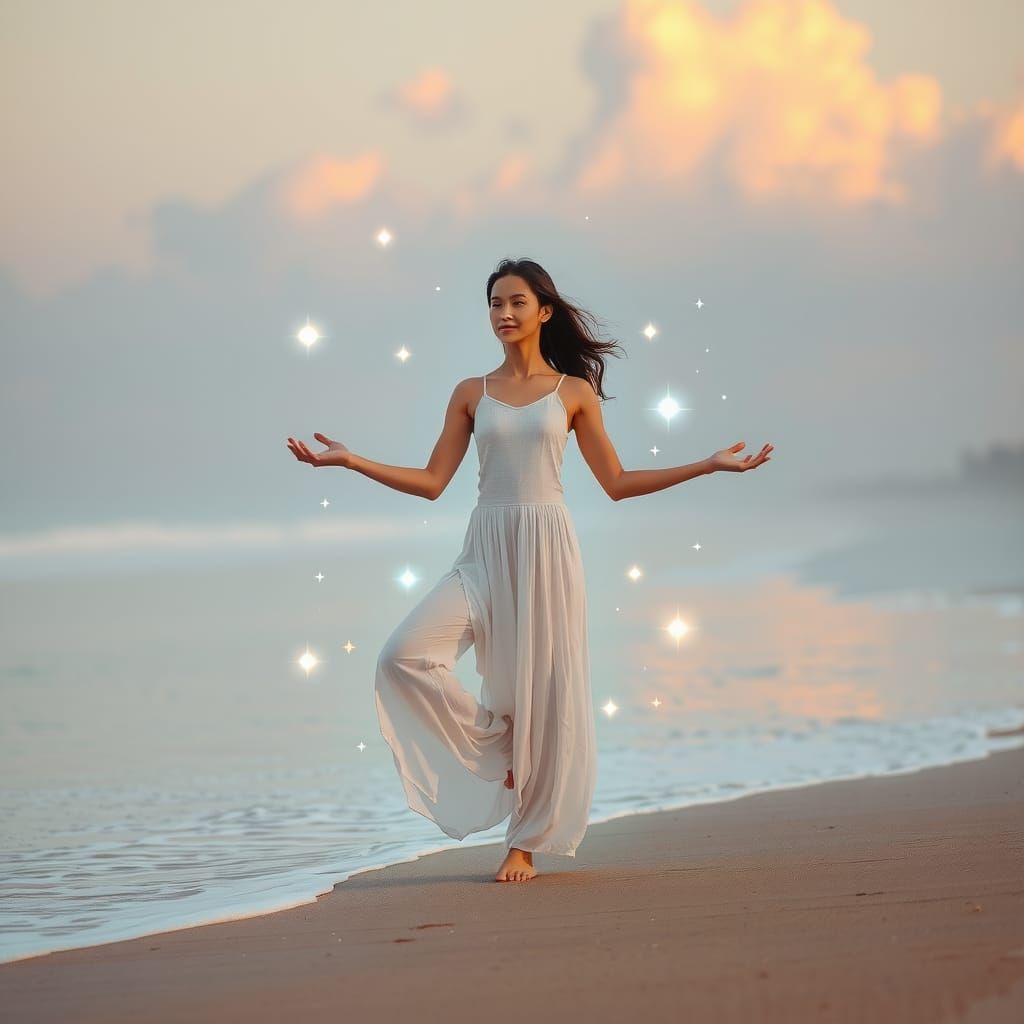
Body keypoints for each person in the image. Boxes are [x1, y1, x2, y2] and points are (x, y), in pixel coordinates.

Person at [286, 257, 773, 883]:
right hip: (484, 551)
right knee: (401, 656)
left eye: (516, 302)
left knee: (547, 691)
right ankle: (499, 743)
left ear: (544, 311)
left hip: (547, 550)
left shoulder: (573, 393)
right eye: (494, 304)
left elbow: (618, 483)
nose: (503, 314)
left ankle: (523, 844)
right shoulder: (471, 392)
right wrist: (353, 461)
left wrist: (705, 465)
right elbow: (434, 482)